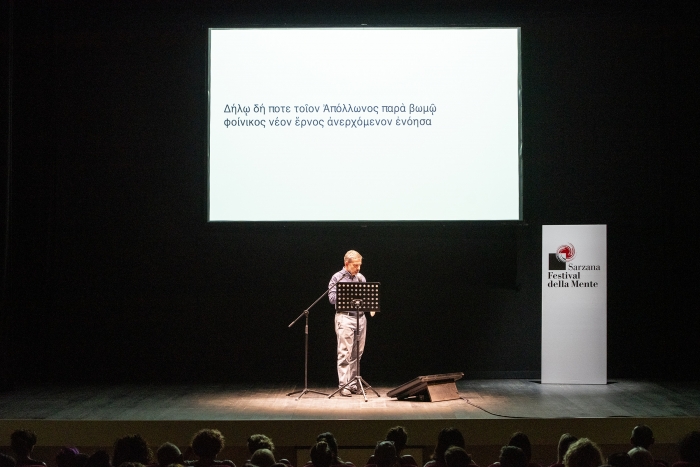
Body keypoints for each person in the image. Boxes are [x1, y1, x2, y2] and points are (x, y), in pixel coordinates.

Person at [328, 250, 367, 396]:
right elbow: (332, 299)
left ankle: (353, 384)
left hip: (360, 318)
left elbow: (367, 298)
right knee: (345, 352)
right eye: (355, 265)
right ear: (346, 264)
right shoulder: (337, 277)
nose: (358, 268)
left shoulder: (360, 278)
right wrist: (347, 295)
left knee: (357, 353)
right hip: (345, 318)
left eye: (359, 265)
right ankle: (343, 385)